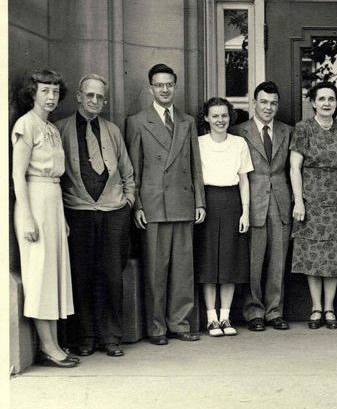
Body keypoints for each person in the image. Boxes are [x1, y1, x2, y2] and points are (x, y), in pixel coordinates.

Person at [125, 64, 206, 345]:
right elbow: (133, 169)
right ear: (151, 88)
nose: (164, 89)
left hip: (183, 203)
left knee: (183, 271)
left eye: (169, 84)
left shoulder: (188, 121)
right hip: (154, 206)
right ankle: (157, 328)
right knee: (156, 272)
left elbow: (196, 165)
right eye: (159, 85)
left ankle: (180, 324)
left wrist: (200, 202)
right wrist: (137, 206)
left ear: (175, 86)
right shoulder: (137, 121)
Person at [56, 74, 135, 358]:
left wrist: (127, 203)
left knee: (112, 276)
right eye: (89, 95)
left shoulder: (112, 130)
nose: (94, 101)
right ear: (78, 96)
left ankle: (111, 337)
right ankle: (85, 338)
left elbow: (127, 171)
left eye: (100, 97)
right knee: (82, 275)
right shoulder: (60, 129)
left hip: (114, 213)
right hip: (79, 212)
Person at [11, 69, 78, 367]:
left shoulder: (48, 127)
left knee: (52, 274)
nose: (50, 97)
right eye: (44, 91)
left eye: (54, 92)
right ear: (33, 93)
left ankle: (53, 343)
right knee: (39, 275)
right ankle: (48, 347)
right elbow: (17, 175)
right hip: (34, 202)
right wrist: (26, 216)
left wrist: (60, 216)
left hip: (52, 202)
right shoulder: (27, 125)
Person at [290, 82, 337, 330]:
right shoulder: (303, 129)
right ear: (313, 103)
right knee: (312, 256)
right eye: (322, 99)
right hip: (311, 200)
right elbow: (294, 167)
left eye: (331, 99)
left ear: (336, 103)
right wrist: (298, 201)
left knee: (334, 258)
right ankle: (315, 307)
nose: (327, 103)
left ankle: (329, 307)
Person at [233, 81, 294, 332]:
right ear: (254, 103)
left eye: (273, 103)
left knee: (278, 261)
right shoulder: (238, 131)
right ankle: (254, 311)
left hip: (280, 200)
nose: (268, 107)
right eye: (264, 102)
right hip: (252, 200)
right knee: (254, 261)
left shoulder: (287, 131)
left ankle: (275, 311)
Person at [196, 97, 253, 337]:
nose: (220, 120)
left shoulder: (239, 143)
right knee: (209, 261)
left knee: (230, 261)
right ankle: (211, 318)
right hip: (207, 200)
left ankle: (226, 317)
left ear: (230, 118)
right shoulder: (198, 143)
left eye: (224, 115)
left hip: (232, 202)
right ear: (207, 118)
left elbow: (244, 180)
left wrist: (245, 212)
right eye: (215, 115)